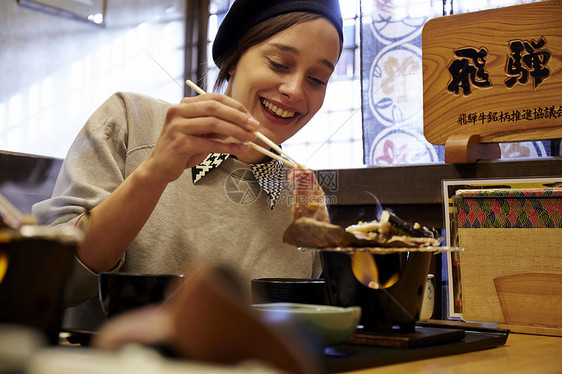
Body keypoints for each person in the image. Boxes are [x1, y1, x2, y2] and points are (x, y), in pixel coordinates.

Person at [33, 0, 343, 332]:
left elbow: (298, 333)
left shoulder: (303, 200)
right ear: (236, 58)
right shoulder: (130, 119)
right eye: (279, 63)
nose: (294, 90)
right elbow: (52, 283)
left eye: (317, 79)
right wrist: (155, 172)